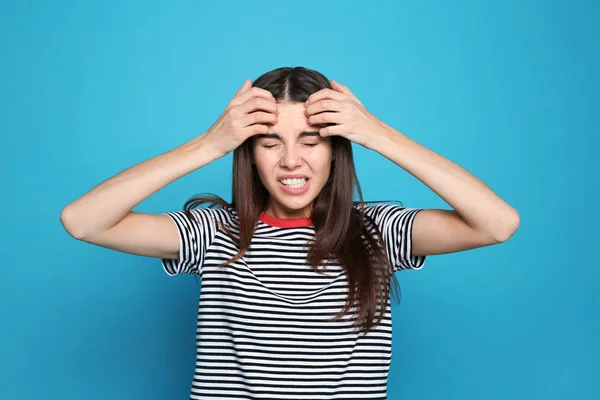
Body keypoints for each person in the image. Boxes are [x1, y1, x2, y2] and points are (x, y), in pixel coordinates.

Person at [60, 66, 520, 399]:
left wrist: (377, 133)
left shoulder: (376, 231)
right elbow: (83, 221)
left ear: (336, 151)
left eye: (311, 141)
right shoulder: (215, 232)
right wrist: (209, 144)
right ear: (250, 154)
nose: (291, 161)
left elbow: (497, 223)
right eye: (269, 142)